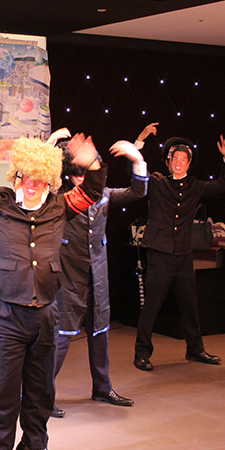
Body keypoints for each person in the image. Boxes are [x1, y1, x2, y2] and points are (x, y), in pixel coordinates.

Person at [0, 133, 125, 450]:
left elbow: (93, 191)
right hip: (4, 316)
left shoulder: (60, 207)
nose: (32, 183)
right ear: (17, 176)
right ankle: (1, 449)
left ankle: (34, 446)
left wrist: (91, 162)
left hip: (46, 314)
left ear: (50, 181)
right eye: (26, 176)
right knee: (5, 392)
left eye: (39, 178)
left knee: (42, 390)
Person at [52, 136, 147, 418]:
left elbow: (137, 191)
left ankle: (102, 388)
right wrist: (53, 143)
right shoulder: (58, 198)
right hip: (68, 277)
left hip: (98, 275)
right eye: (75, 172)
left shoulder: (103, 194)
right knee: (61, 337)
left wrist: (137, 159)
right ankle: (37, 393)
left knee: (100, 331)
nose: (80, 178)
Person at [133, 123, 225, 371]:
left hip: (183, 255)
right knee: (151, 306)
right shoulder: (157, 182)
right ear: (168, 162)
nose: (178, 162)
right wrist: (140, 140)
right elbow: (136, 169)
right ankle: (142, 353)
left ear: (189, 163)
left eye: (183, 159)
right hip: (160, 254)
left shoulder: (195, 186)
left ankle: (195, 349)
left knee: (190, 304)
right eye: (175, 159)